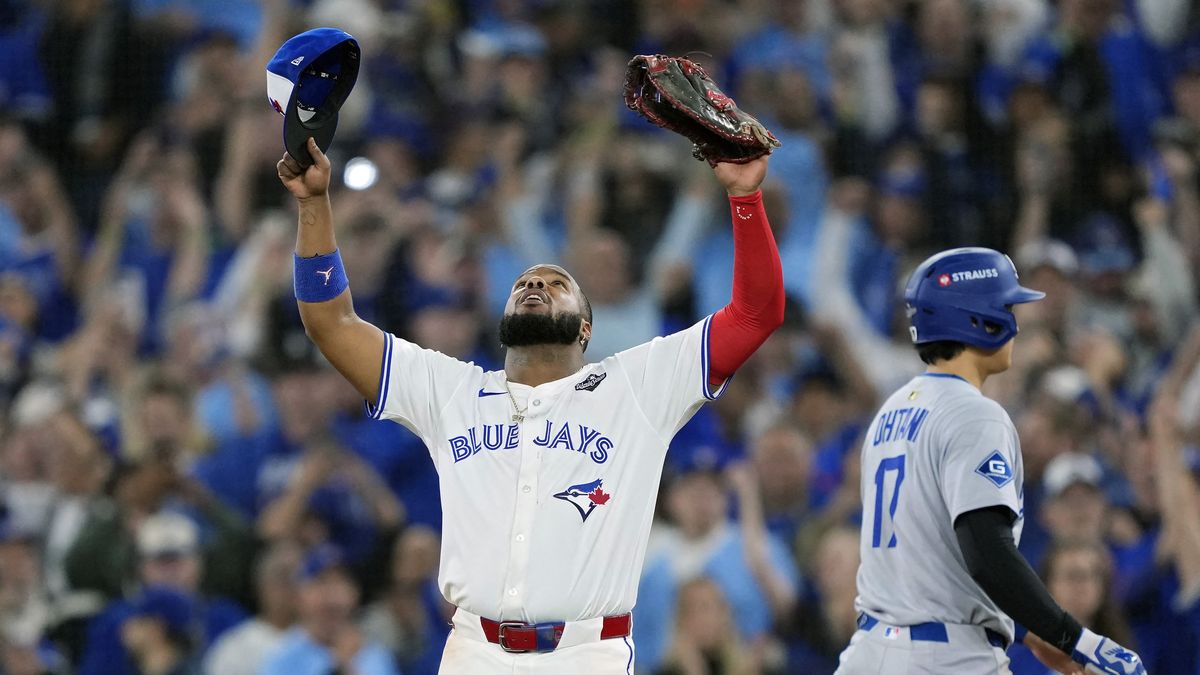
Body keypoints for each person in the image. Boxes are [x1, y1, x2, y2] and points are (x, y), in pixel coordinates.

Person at [276, 136, 784, 672]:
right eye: (524, 282)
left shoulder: (635, 386)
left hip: (588, 652)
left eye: (557, 283)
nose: (537, 282)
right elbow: (330, 322)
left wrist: (745, 199)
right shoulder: (452, 389)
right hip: (474, 650)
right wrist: (313, 206)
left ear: (586, 328)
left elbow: (756, 314)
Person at [834, 247, 1145, 674]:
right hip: (946, 657)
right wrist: (1076, 638)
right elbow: (985, 551)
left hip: (870, 652)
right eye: (1007, 308)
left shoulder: (892, 410)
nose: (1016, 323)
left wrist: (1030, 632)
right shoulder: (974, 413)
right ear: (977, 318)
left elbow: (935, 559)